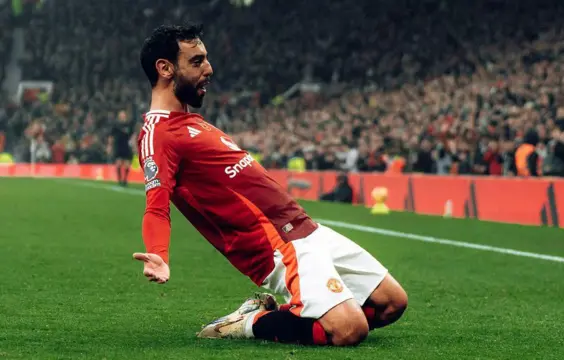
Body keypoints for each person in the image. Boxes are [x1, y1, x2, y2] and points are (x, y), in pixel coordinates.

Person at [132, 24, 407, 347]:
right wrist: (159, 253)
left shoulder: (192, 122)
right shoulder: (158, 134)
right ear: (164, 68)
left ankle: (301, 311)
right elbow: (156, 205)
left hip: (303, 227)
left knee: (392, 303)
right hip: (273, 243)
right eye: (196, 61)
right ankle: (249, 321)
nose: (209, 69)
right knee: (348, 330)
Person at [110, 110, 135, 186]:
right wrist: (110, 146)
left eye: (123, 115)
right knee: (118, 163)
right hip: (118, 146)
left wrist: (134, 145)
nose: (122, 116)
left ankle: (125, 180)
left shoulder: (129, 125)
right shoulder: (116, 125)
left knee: (127, 164)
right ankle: (120, 179)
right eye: (121, 115)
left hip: (126, 146)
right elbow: (111, 136)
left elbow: (132, 135)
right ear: (119, 116)